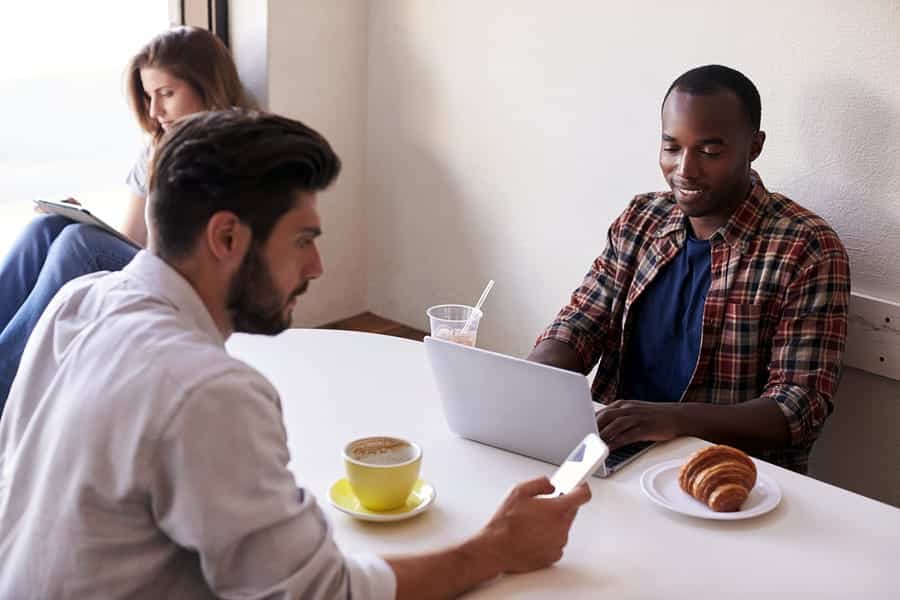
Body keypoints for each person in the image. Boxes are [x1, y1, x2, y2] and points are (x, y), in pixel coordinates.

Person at [0, 109, 592, 599]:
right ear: (227, 237)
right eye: (303, 240)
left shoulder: (78, 303)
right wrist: (494, 548)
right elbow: (320, 593)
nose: (317, 267)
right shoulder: (209, 392)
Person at [529, 65, 850, 474]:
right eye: (671, 147)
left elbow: (799, 406)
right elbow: (580, 323)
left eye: (710, 151)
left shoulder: (807, 248)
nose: (685, 169)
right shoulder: (641, 218)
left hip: (728, 478)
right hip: (611, 454)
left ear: (754, 146)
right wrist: (531, 377)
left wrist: (671, 419)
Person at [0, 26, 256, 411]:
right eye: (150, 97)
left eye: (167, 94)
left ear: (206, 85)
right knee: (48, 228)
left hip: (197, 283)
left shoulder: (244, 148)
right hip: (153, 267)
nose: (155, 111)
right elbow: (131, 239)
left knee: (78, 243)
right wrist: (81, 218)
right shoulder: (156, 147)